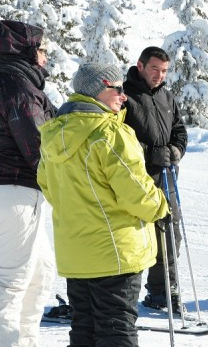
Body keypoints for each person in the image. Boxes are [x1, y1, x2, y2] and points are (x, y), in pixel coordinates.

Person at [37, 62, 169, 347]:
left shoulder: (53, 135)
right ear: (97, 91)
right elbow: (137, 193)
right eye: (117, 88)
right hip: (115, 254)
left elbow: (49, 187)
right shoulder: (108, 134)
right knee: (116, 330)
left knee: (85, 327)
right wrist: (161, 206)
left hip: (77, 255)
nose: (124, 96)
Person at [0, 20, 56, 347]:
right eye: (43, 50)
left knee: (39, 274)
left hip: (10, 195)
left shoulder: (11, 82)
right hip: (13, 192)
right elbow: (39, 148)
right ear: (28, 51)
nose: (46, 58)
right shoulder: (17, 87)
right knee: (9, 285)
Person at [122, 46, 188, 311]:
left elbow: (180, 131)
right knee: (135, 236)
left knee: (170, 235)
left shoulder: (167, 97)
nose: (159, 75)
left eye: (164, 71)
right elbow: (121, 140)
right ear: (140, 66)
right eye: (154, 69)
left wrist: (175, 150)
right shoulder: (125, 96)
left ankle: (163, 292)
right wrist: (153, 153)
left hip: (167, 177)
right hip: (137, 179)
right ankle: (124, 294)